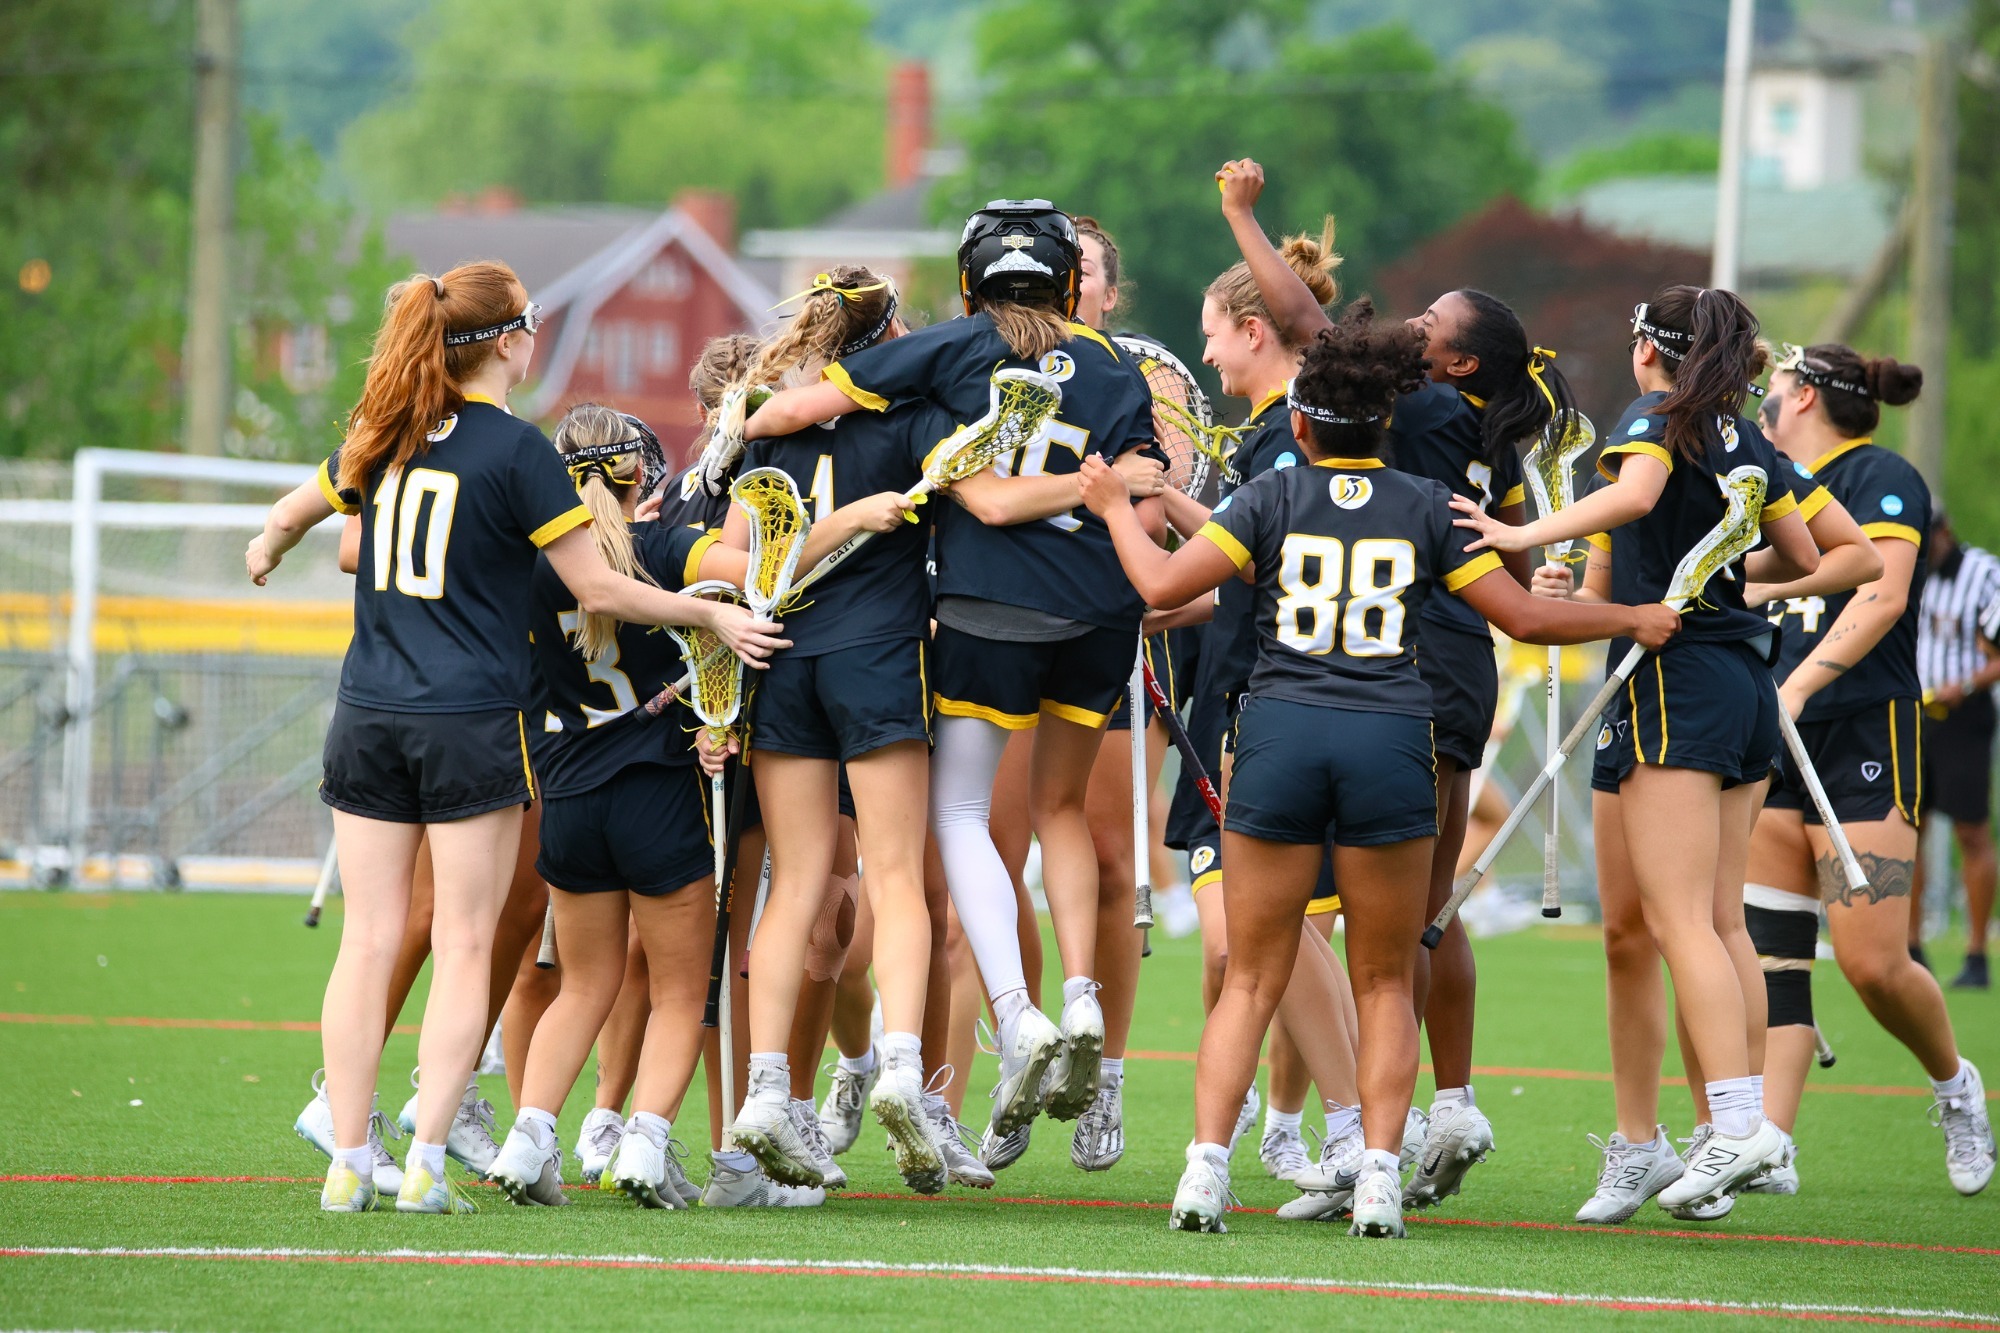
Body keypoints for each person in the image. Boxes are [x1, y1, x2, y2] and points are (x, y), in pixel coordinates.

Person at [1083, 302, 1680, 1238]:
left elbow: (1161, 587)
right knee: (1388, 978)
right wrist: (1631, 619)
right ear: (1388, 421)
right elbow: (1523, 618)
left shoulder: (1267, 499)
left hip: (1279, 733)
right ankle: (1377, 1179)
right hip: (1391, 739)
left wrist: (1118, 507)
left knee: (1251, 975)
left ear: (1302, 425)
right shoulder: (1425, 505)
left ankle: (1203, 1174)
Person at [246, 261, 785, 1214]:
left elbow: (297, 516)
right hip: (468, 722)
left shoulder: (386, 430)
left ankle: (345, 1159)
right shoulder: (517, 450)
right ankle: (420, 1165)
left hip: (366, 711)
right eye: (531, 322)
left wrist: (268, 546)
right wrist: (705, 619)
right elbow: (602, 589)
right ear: (507, 340)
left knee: (366, 940)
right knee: (460, 943)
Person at [740, 200, 1168, 1162]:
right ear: (1068, 283)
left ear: (972, 282)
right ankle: (1085, 997)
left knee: (961, 815)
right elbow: (1143, 475)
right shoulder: (1113, 364)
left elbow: (801, 409)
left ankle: (1016, 1014)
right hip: (1100, 606)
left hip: (985, 608)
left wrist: (752, 419)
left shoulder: (946, 351)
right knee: (1060, 811)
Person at [1462, 285, 1823, 1221]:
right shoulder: (1744, 436)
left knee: (1685, 923)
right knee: (1663, 923)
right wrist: (1577, 582)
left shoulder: (1660, 417)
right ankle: (1646, 1144)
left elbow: (1636, 492)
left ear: (1650, 349)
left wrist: (1514, 532)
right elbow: (1802, 555)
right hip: (1727, 680)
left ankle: (1739, 1126)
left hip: (1679, 684)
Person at [711, 266, 993, 1195]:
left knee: (792, 884)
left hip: (786, 658)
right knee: (898, 874)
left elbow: (746, 557)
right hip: (875, 657)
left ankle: (764, 1092)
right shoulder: (913, 421)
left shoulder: (765, 428)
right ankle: (905, 1068)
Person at [1745, 344, 1994, 1197]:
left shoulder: (1882, 473)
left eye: (1774, 392)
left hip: (1861, 734)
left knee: (1873, 963)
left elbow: (1882, 592)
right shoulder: (1767, 481)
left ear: (1805, 394)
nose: (1764, 405)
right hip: (1769, 735)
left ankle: (1956, 1083)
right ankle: (1770, 1141)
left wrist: (1803, 685)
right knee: (1774, 958)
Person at [1915, 511, 2000, 985]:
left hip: (1963, 714)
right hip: (1913, 713)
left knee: (1971, 832)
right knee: (1908, 829)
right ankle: (1909, 946)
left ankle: (1975, 953)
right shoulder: (1907, 565)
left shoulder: (1985, 574)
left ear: (1946, 531)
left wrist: (1965, 684)